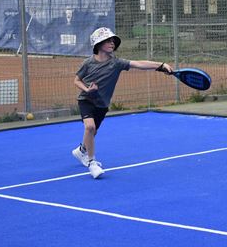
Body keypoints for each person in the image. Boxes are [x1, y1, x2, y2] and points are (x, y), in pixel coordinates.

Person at [72, 27, 173, 179]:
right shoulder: (88, 63)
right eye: (107, 41)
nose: (112, 43)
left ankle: (81, 151)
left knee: (92, 133)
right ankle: (92, 163)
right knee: (90, 127)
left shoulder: (117, 63)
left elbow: (139, 64)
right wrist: (86, 89)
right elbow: (76, 80)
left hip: (102, 104)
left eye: (113, 40)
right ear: (98, 44)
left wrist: (160, 65)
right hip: (86, 100)